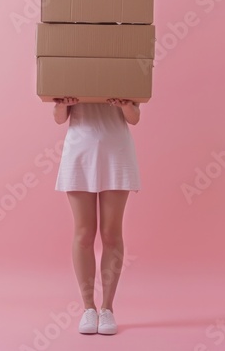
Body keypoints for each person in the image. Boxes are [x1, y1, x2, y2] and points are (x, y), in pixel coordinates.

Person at [53, 97, 141, 335]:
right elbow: (60, 117)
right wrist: (63, 103)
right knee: (83, 234)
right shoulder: (70, 65)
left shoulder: (126, 67)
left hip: (116, 151)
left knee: (111, 233)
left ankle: (107, 308)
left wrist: (124, 105)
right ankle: (88, 308)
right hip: (80, 150)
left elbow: (134, 117)